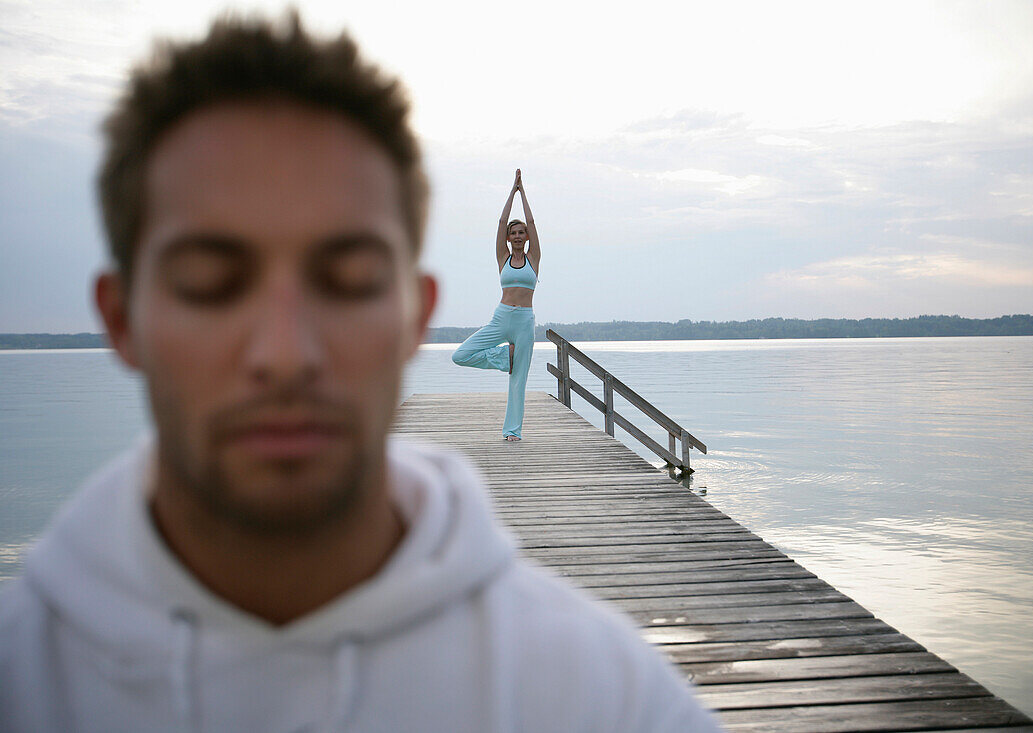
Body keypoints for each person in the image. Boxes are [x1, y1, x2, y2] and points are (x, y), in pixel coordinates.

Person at [0, 11, 721, 733]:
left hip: (522, 326)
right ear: (121, 318)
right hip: (507, 322)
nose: (284, 353)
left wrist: (525, 196)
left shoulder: (606, 694)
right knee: (499, 359)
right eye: (211, 280)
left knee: (513, 377)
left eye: (347, 278)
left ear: (413, 317)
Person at [451, 169, 538, 440]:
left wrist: (524, 194)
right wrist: (512, 191)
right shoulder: (503, 257)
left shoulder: (534, 258)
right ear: (508, 238)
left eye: (521, 232)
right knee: (461, 354)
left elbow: (533, 222)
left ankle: (512, 432)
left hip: (524, 322)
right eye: (513, 233)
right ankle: (504, 356)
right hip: (501, 318)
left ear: (526, 237)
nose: (517, 236)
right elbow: (501, 221)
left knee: (518, 380)